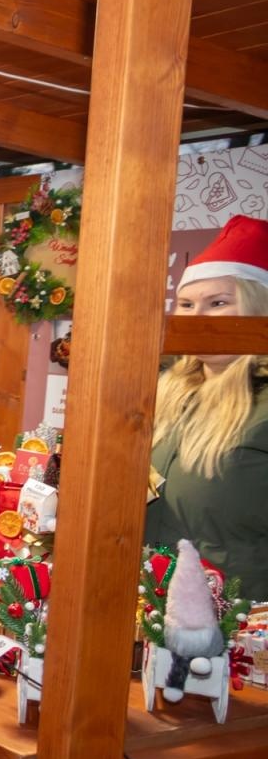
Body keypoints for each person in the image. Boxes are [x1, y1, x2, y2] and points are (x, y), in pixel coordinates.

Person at [147, 214, 268, 600]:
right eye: (185, 304)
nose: (196, 318)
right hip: (150, 603)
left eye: (217, 303)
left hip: (237, 620)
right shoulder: (165, 388)